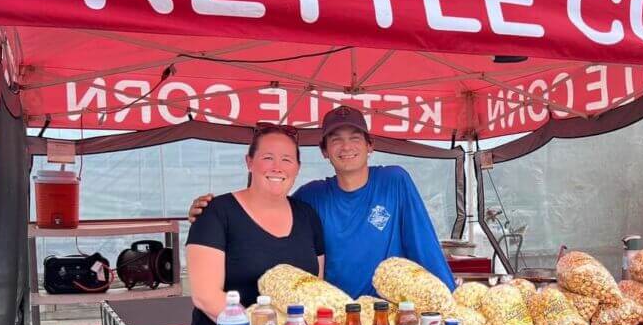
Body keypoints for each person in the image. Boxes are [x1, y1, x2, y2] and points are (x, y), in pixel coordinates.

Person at [189, 106, 455, 299]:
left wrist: (450, 300)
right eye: (335, 139)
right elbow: (265, 215)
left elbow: (423, 244)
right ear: (325, 151)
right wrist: (210, 215)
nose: (346, 146)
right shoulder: (311, 196)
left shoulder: (394, 181)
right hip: (331, 321)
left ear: (370, 145)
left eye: (355, 138)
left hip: (389, 316)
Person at [186, 124, 324, 325]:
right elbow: (206, 296)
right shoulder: (216, 213)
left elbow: (314, 289)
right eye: (268, 157)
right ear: (249, 162)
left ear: (298, 168)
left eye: (287, 159)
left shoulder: (308, 216)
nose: (277, 167)